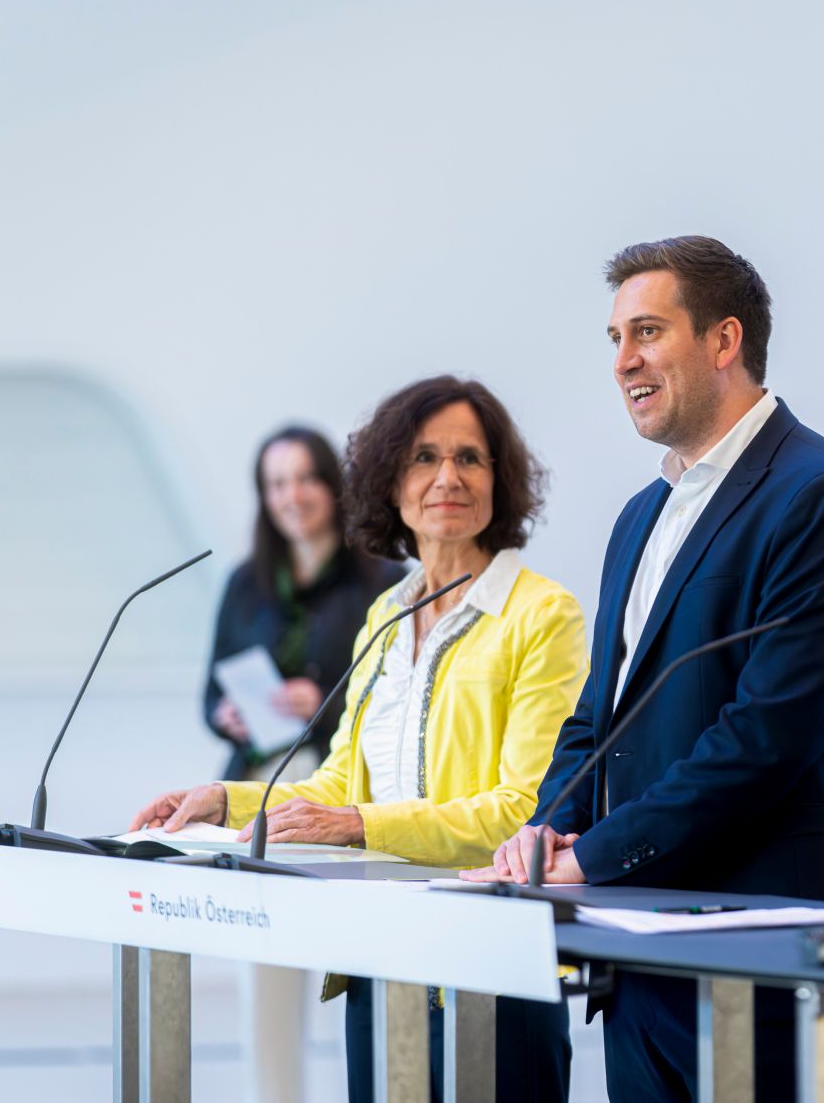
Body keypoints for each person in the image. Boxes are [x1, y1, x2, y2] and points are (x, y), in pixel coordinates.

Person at [467, 235, 824, 1101]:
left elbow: (766, 736)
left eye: (648, 332)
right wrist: (545, 831)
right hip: (634, 950)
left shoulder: (821, 494)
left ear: (724, 339)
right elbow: (598, 717)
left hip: (757, 946)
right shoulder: (641, 514)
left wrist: (596, 855)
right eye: (615, 338)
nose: (623, 360)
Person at [133, 377, 586, 1103]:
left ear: (500, 480)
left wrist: (358, 824)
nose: (448, 477)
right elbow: (341, 782)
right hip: (377, 955)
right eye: (424, 457)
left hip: (488, 962)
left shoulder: (542, 613)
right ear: (390, 482)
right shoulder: (385, 613)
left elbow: (526, 809)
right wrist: (224, 800)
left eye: (470, 457)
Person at [200, 426, 404, 1103]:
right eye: (277, 482)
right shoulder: (245, 582)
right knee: (264, 961)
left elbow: (398, 692)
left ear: (333, 486)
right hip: (255, 788)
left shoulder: (383, 580)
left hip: (344, 791)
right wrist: (227, 714)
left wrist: (323, 700)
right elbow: (209, 694)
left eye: (306, 478)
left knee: (362, 960)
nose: (293, 495)